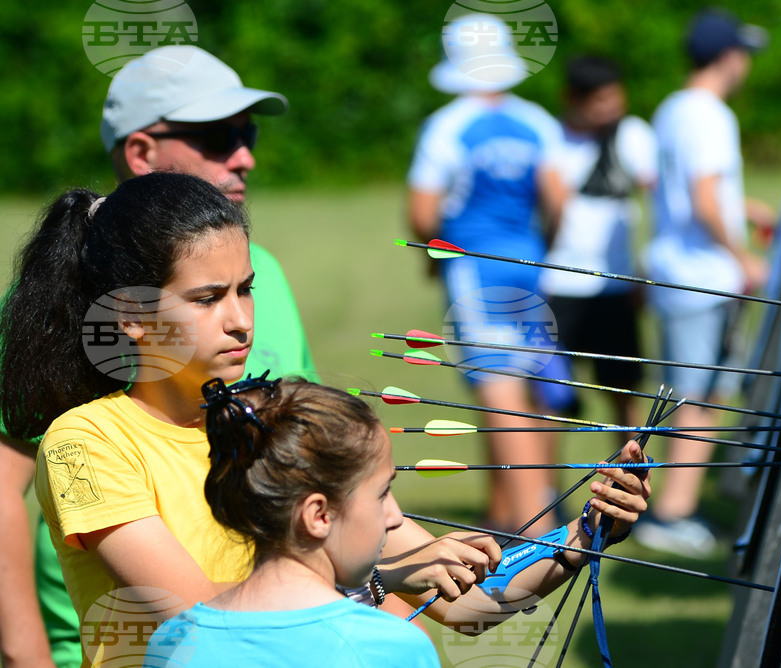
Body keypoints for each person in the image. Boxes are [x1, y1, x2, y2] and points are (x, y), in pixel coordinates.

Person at [2, 173, 650, 665]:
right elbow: (202, 621)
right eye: (207, 298)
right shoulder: (87, 441)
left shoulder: (281, 418)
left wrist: (586, 533)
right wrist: (384, 578)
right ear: (133, 317)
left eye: (245, 288)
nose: (240, 318)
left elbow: (471, 605)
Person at [0, 45, 319, 668]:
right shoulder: (50, 303)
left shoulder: (269, 274)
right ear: (142, 153)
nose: (245, 154)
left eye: (248, 132)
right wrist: (24, 654)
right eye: (219, 136)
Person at [145, 378, 439, 668]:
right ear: (318, 516)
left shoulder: (173, 641)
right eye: (382, 493)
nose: (395, 517)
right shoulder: (391, 648)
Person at [408, 14, 570, 535]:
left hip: (474, 269)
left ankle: (530, 525)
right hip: (531, 262)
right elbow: (558, 198)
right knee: (526, 383)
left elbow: (422, 212)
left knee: (497, 387)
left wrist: (430, 258)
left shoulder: (448, 125)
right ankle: (505, 511)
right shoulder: (538, 121)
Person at [638, 9, 773, 557]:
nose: (745, 63)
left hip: (675, 274)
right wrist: (744, 256)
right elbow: (702, 198)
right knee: (701, 399)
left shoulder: (673, 108)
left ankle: (668, 507)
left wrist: (748, 208)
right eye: (741, 52)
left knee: (685, 395)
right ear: (726, 57)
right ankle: (671, 514)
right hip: (702, 280)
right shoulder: (710, 114)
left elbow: (684, 191)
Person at [540, 55, 657, 430]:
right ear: (571, 98)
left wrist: (644, 271)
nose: (611, 109)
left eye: (616, 98)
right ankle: (543, 489)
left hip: (616, 284)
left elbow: (660, 199)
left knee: (623, 390)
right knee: (551, 396)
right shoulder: (549, 139)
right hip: (560, 284)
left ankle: (629, 479)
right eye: (600, 101)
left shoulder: (633, 134)